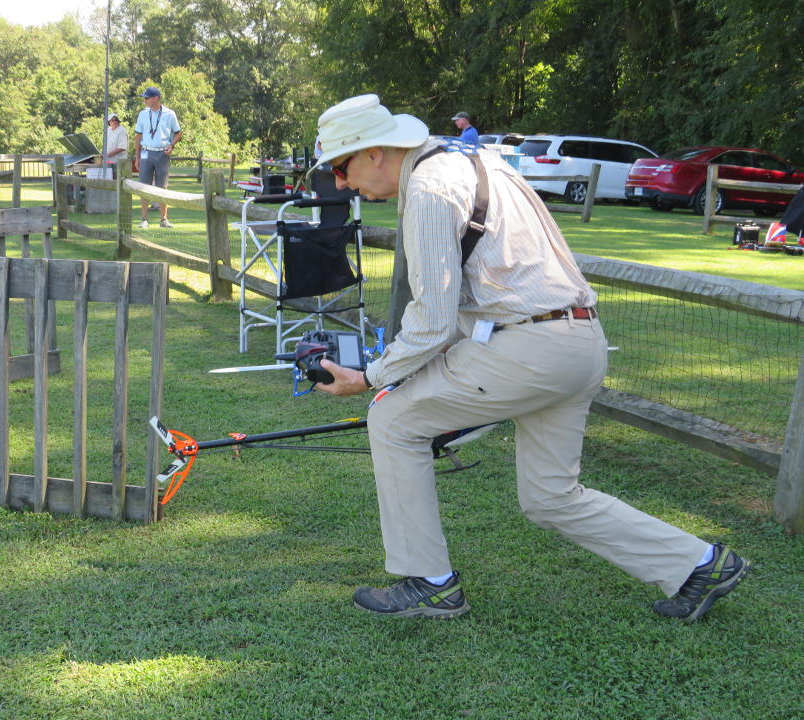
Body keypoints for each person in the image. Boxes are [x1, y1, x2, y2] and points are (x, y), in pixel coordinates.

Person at [310, 94, 749, 621]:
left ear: (377, 152)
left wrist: (370, 377)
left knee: (391, 418)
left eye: (341, 166)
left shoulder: (427, 188)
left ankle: (429, 582)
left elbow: (431, 321)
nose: (340, 182)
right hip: (579, 342)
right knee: (550, 497)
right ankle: (700, 563)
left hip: (528, 347)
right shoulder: (479, 160)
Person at [134, 86, 182, 229]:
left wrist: (171, 145)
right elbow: (137, 137)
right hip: (146, 153)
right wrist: (137, 157)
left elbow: (178, 133)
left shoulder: (169, 114)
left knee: (163, 187)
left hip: (162, 154)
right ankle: (144, 219)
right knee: (143, 186)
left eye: (147, 98)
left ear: (156, 98)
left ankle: (164, 219)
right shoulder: (143, 114)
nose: (144, 100)